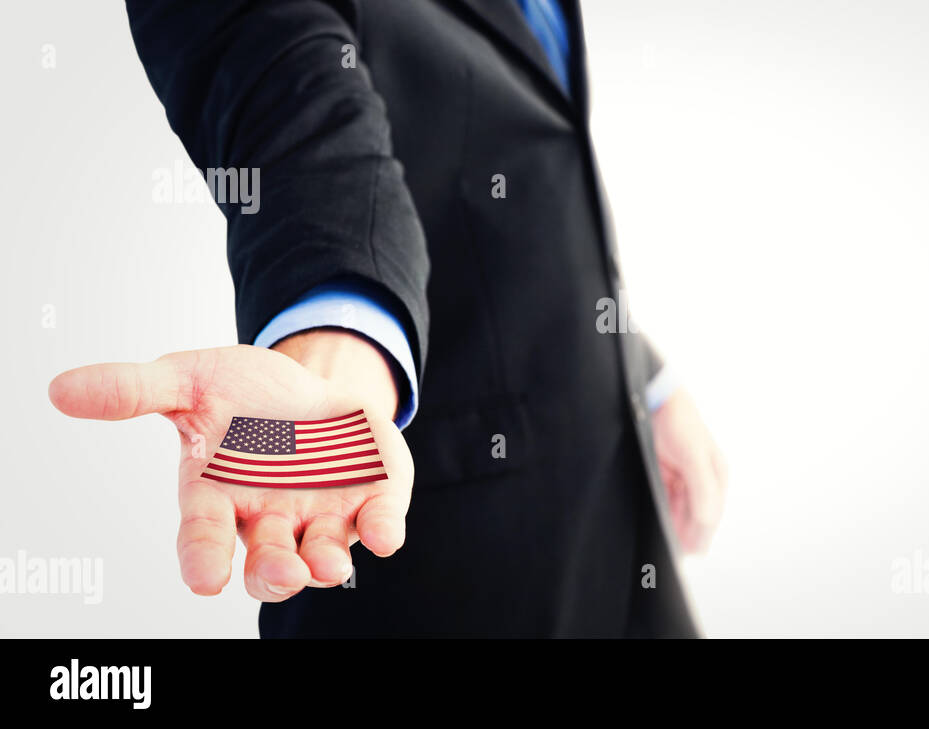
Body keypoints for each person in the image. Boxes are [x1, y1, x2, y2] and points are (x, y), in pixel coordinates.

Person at [47, 0, 726, 637]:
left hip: (618, 510)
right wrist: (339, 338)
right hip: (448, 574)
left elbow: (530, 173)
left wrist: (643, 377)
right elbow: (287, 94)